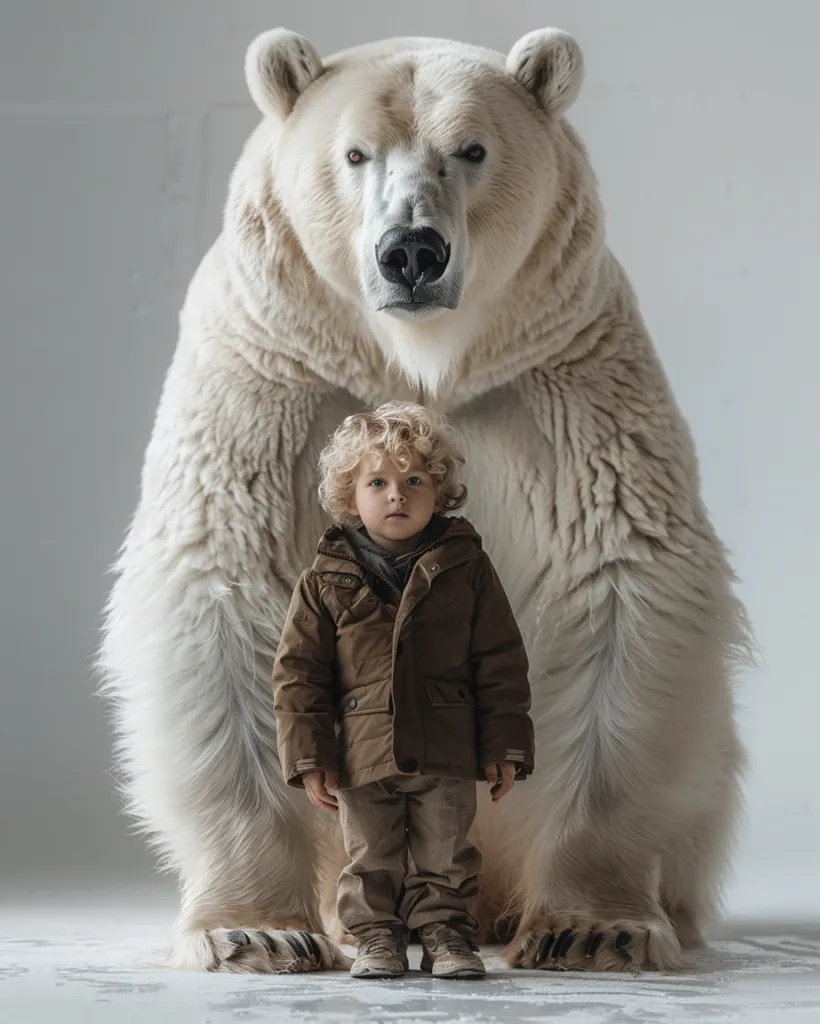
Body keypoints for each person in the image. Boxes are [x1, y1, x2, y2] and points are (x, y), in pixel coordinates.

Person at [272, 401, 534, 979]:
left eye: (415, 480)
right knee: (370, 857)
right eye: (378, 482)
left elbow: (500, 662)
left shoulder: (466, 567)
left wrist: (504, 748)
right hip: (362, 753)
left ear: (439, 491)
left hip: (447, 748)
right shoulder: (324, 580)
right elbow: (300, 675)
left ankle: (446, 935)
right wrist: (310, 757)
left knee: (448, 854)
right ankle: (376, 938)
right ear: (350, 497)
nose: (398, 494)